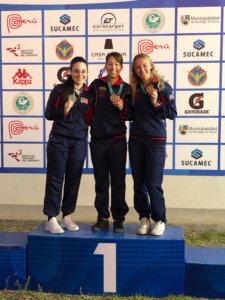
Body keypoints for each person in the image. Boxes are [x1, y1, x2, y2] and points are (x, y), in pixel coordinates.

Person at [129, 53, 177, 236]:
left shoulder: (163, 87)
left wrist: (157, 102)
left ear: (151, 65)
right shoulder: (134, 89)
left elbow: (172, 113)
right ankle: (144, 217)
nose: (141, 69)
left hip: (156, 141)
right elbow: (131, 114)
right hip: (135, 141)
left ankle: (159, 220)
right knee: (138, 183)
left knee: (153, 183)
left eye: (144, 65)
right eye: (137, 67)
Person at [43, 56, 92, 234]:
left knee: (73, 180)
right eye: (76, 71)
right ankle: (51, 218)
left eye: (83, 71)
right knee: (56, 178)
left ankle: (66, 215)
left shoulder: (90, 93)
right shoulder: (60, 90)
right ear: (70, 72)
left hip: (79, 141)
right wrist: (62, 111)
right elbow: (48, 113)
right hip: (59, 140)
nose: (80, 74)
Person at [88, 52, 132, 233]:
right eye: (110, 64)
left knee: (118, 181)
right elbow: (87, 109)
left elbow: (131, 115)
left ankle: (119, 219)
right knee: (101, 181)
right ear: (105, 66)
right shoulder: (96, 85)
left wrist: (123, 108)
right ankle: (102, 217)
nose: (113, 67)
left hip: (118, 141)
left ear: (121, 67)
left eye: (116, 64)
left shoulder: (127, 88)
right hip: (98, 141)